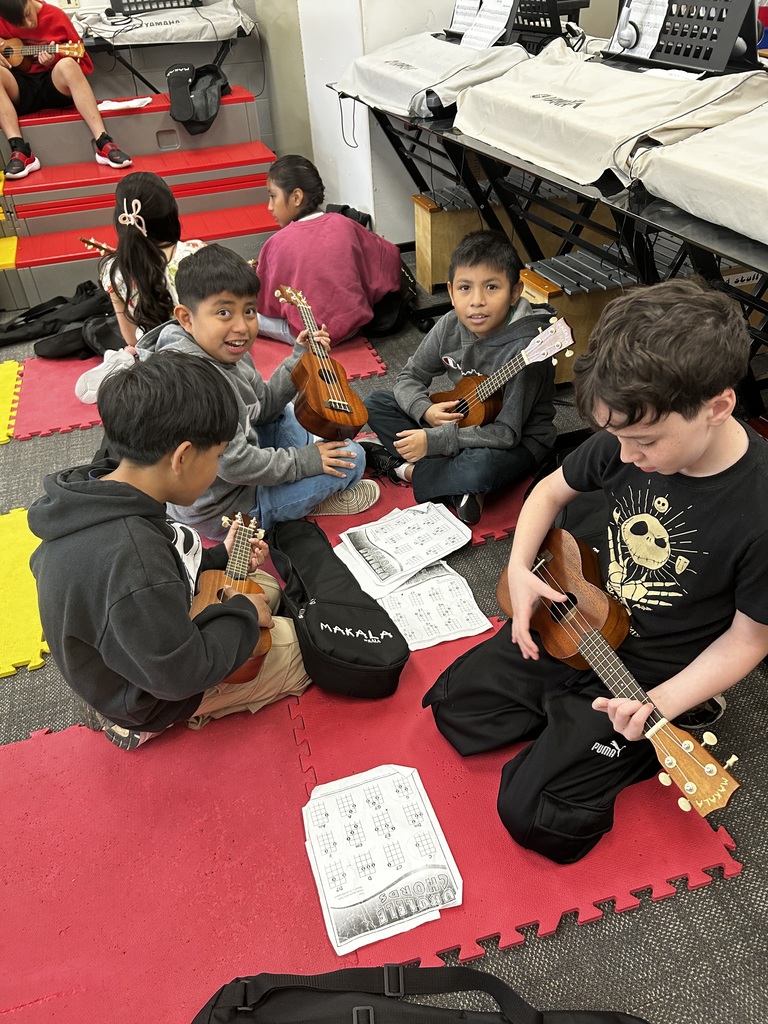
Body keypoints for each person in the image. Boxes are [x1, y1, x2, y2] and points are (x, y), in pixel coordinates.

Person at [423, 276, 768, 863]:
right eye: (616, 438)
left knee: (538, 815)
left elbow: (748, 639)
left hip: (649, 670)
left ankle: (681, 711)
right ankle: (570, 720)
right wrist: (522, 569)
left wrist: (663, 701)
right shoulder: (623, 434)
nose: (625, 457)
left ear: (718, 406)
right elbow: (548, 494)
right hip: (581, 615)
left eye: (645, 442)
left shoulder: (759, 507)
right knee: (455, 705)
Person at [29, 351, 312, 752]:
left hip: (129, 639)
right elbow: (181, 671)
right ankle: (141, 724)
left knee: (263, 586)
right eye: (216, 457)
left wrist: (217, 557)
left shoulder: (104, 487)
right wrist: (246, 615)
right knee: (302, 650)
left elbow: (164, 564)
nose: (217, 469)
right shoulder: (135, 557)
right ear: (182, 458)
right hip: (149, 691)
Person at [136, 243, 379, 541]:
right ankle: (299, 504)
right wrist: (304, 462)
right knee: (353, 458)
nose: (242, 327)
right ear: (186, 318)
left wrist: (300, 357)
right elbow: (233, 464)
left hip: (242, 462)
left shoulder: (225, 349)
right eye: (224, 312)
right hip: (228, 510)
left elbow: (262, 408)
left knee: (289, 413)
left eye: (249, 311)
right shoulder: (196, 385)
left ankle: (302, 469)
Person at [362, 231, 557, 525]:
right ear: (451, 292)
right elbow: (409, 377)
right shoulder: (450, 324)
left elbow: (506, 434)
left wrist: (433, 441)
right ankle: (457, 487)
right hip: (463, 421)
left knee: (480, 469)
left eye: (492, 287)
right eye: (465, 288)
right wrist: (425, 410)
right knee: (375, 402)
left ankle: (406, 470)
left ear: (515, 292)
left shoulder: (527, 350)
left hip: (516, 440)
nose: (476, 301)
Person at [75, 171, 206, 403]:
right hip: (204, 356)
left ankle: (124, 365)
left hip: (155, 360)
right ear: (171, 216)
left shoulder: (112, 271)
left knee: (132, 349)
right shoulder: (195, 254)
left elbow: (130, 336)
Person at [255, 154, 402, 345]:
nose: (269, 206)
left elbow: (264, 302)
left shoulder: (277, 242)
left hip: (308, 337)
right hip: (351, 328)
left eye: (273, 196)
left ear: (297, 197)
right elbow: (389, 257)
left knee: (246, 316)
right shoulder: (345, 223)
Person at [0, 0, 131, 178]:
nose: (28, 24)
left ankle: (103, 142)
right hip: (20, 88)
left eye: (28, 14)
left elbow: (84, 64)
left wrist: (55, 60)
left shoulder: (56, 16)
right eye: (19, 23)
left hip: (53, 85)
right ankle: (20, 150)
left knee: (68, 64)